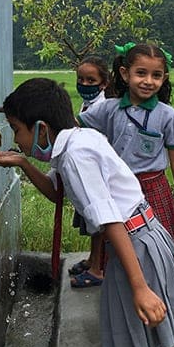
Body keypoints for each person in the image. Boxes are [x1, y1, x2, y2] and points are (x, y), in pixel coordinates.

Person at [0, 78, 174, 347]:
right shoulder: (78, 140)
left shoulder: (76, 156)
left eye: (16, 129)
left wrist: (139, 287)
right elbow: (56, 191)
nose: (16, 139)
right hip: (141, 237)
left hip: (133, 243)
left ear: (41, 129)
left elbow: (111, 220)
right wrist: (23, 163)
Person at [78, 42, 174, 277]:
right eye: (141, 73)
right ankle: (119, 281)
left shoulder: (167, 115)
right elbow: (76, 126)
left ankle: (162, 282)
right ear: (125, 74)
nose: (148, 81)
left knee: (158, 240)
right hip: (116, 187)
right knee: (117, 238)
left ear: (164, 78)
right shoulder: (109, 109)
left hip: (153, 189)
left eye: (156, 75)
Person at [69, 56, 113, 287]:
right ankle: (92, 259)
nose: (85, 84)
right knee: (92, 221)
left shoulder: (102, 107)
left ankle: (97, 268)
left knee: (98, 223)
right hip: (88, 168)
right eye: (81, 79)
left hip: (97, 171)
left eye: (91, 80)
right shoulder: (87, 104)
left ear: (103, 83)